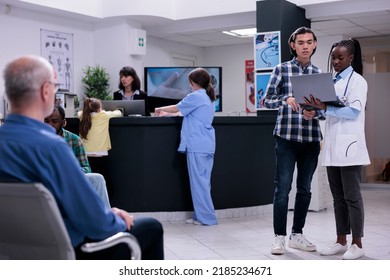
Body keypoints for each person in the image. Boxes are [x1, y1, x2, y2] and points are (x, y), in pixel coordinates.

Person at [0, 55, 164, 260]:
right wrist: (116, 219)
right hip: (67, 251)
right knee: (151, 227)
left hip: (14, 252)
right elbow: (96, 224)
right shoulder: (52, 147)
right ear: (45, 91)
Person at [303, 38, 370, 260]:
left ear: (351, 58)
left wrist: (325, 107)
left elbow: (353, 112)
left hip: (350, 147)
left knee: (352, 197)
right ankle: (341, 240)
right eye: (333, 57)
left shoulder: (358, 81)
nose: (336, 61)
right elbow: (329, 111)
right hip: (332, 146)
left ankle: (357, 244)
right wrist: (315, 110)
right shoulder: (330, 81)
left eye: (340, 57)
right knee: (338, 198)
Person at [263, 26, 322, 255]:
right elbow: (266, 100)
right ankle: (279, 237)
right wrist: (285, 98)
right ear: (293, 45)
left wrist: (314, 113)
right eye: (301, 42)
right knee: (282, 189)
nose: (305, 46)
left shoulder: (319, 74)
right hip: (286, 138)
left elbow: (326, 110)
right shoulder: (281, 69)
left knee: (305, 189)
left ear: (314, 44)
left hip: (310, 139)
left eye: (309, 42)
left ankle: (297, 234)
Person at [154, 68, 218, 226]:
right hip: (206, 144)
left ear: (194, 83)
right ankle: (200, 216)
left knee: (199, 183)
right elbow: (184, 113)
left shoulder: (196, 96)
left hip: (197, 145)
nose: (189, 85)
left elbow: (177, 108)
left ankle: (207, 219)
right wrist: (166, 114)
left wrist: (160, 109)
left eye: (189, 82)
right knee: (203, 183)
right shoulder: (207, 97)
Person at [44, 105, 111, 208]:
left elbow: (86, 168)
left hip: (71, 178)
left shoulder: (74, 140)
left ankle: (105, 219)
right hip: (48, 180)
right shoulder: (37, 140)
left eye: (54, 121)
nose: (50, 125)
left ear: (64, 122)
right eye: (46, 121)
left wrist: (72, 171)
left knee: (98, 178)